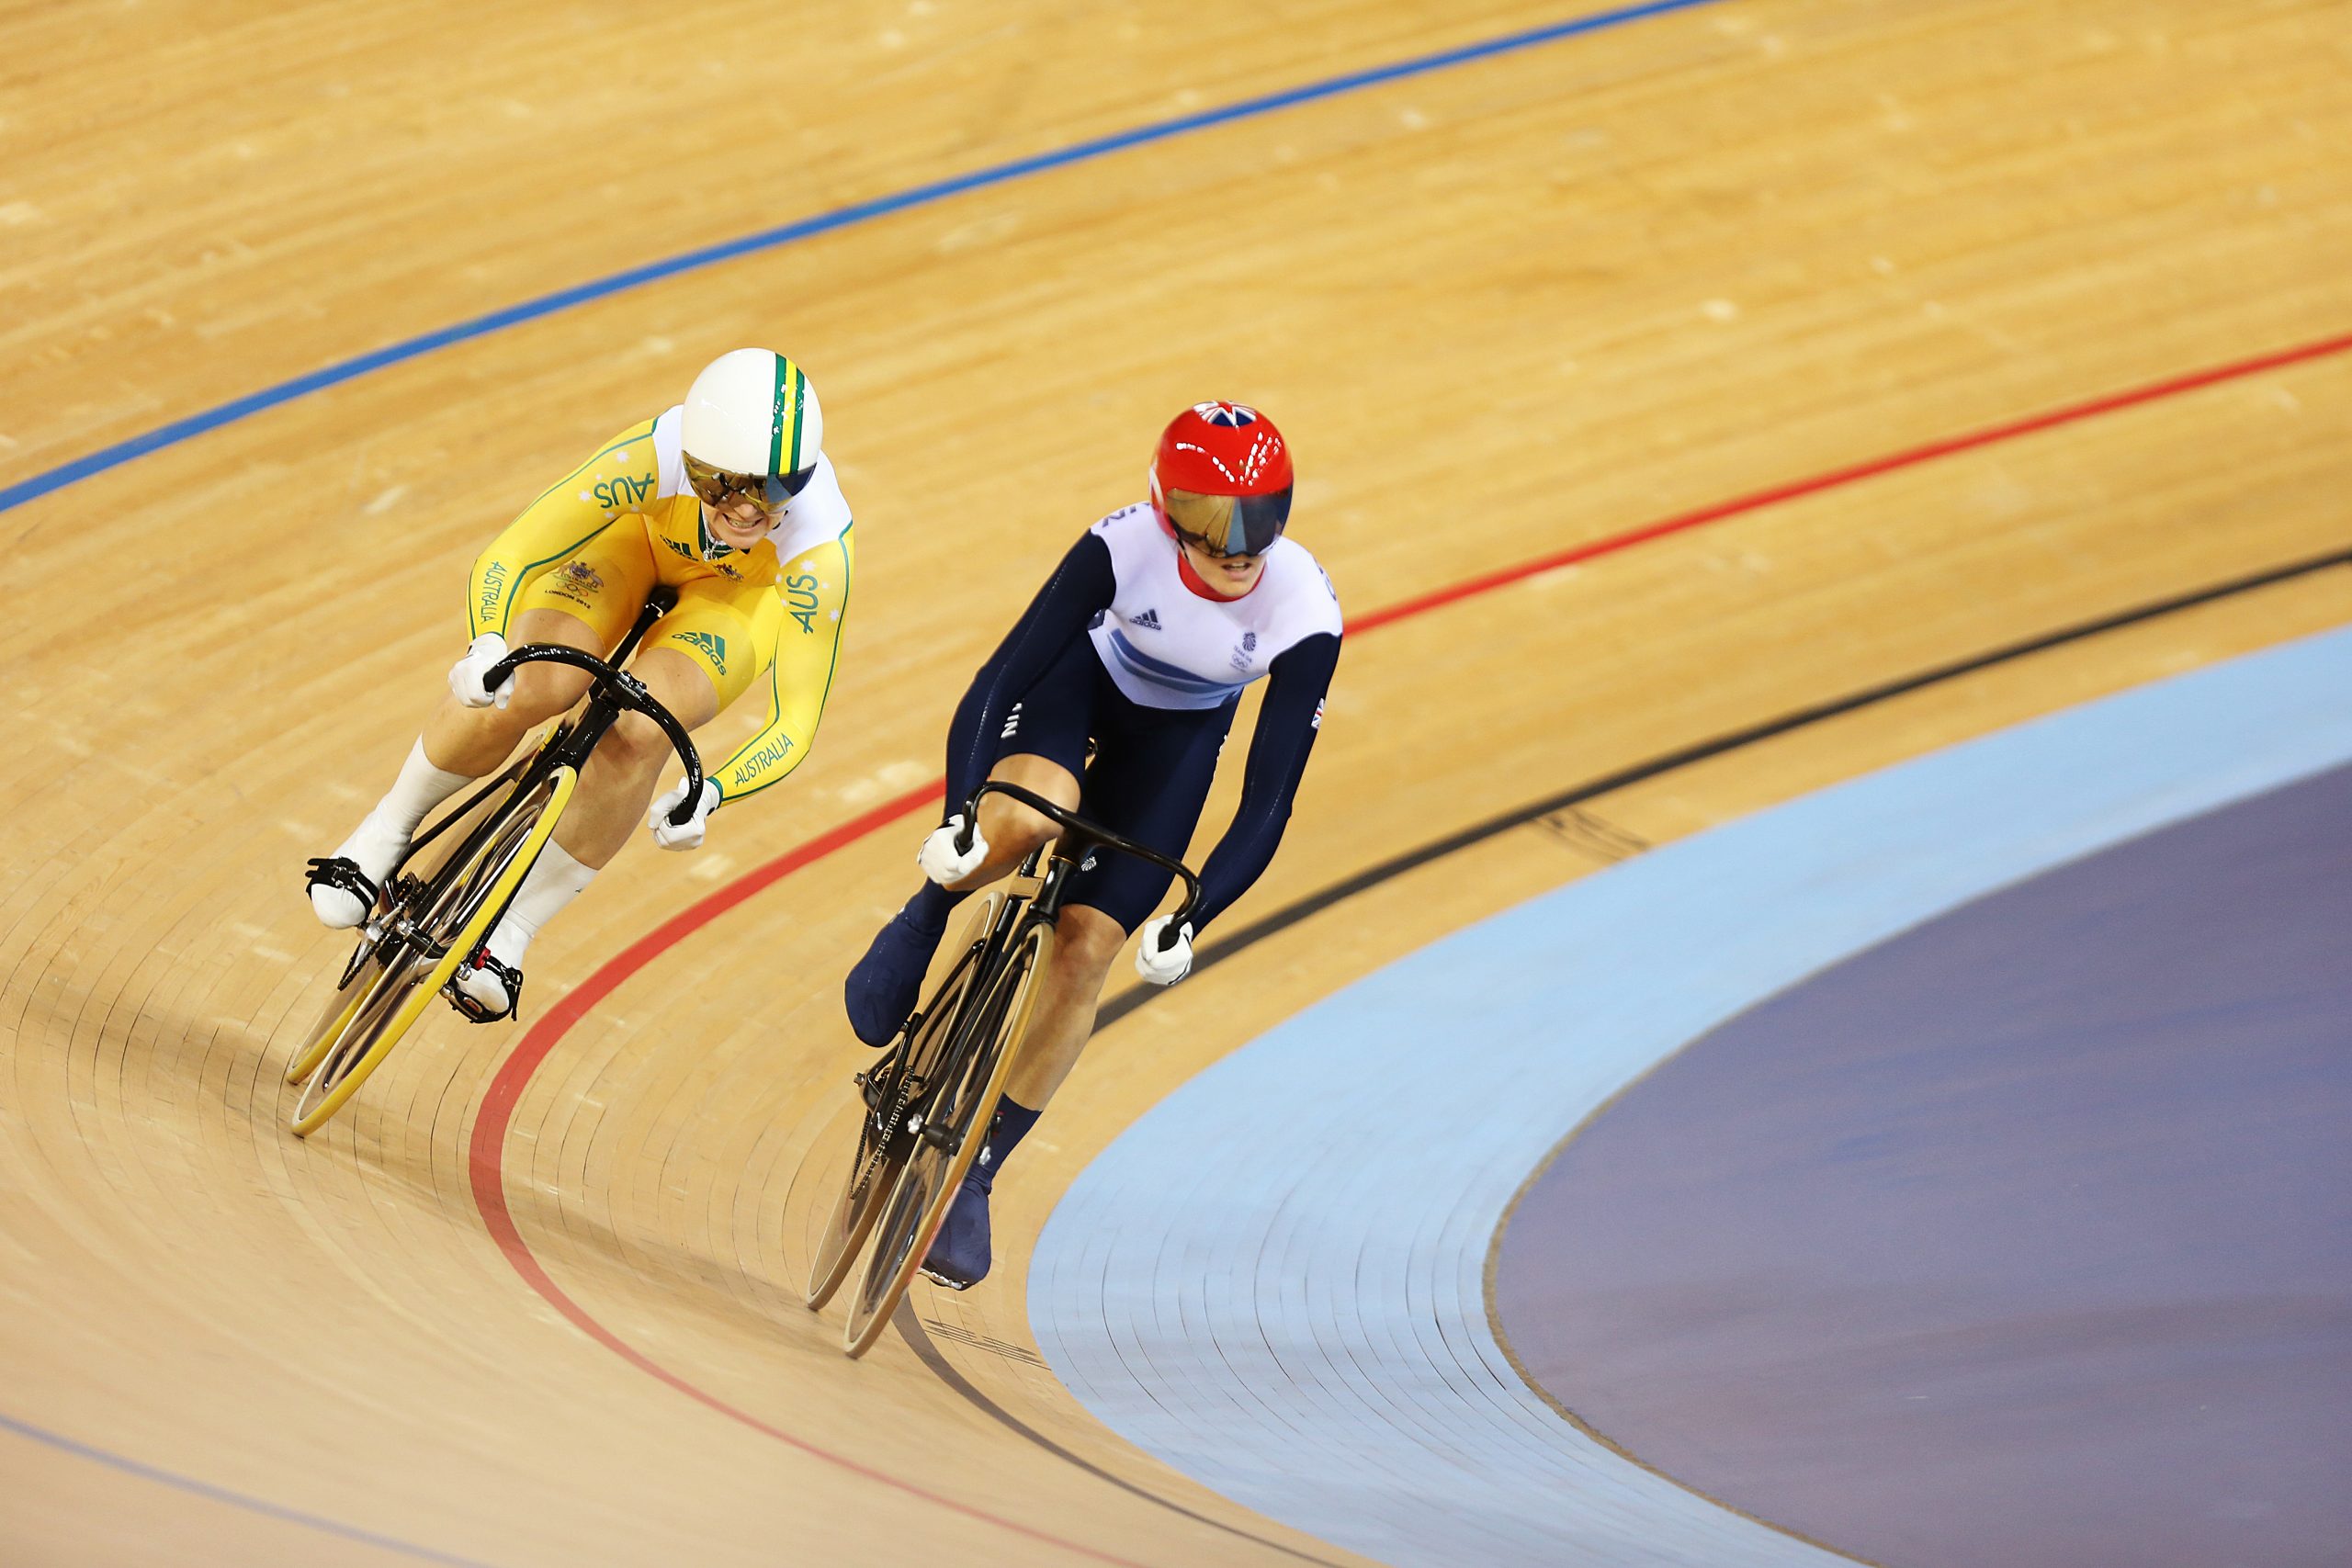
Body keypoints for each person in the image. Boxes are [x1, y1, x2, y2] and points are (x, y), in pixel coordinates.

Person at [843, 400, 1340, 1289]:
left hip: (1176, 744)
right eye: (1211, 521)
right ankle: (924, 919)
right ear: (1164, 511)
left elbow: (1269, 801)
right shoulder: (1122, 548)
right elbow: (1000, 679)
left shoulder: (1303, 606)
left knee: (1089, 950)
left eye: (1257, 519)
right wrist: (960, 819)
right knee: (1027, 818)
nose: (1235, 547)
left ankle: (978, 1173)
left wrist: (1195, 915)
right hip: (1084, 690)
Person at [305, 347, 854, 1020]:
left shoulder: (820, 551)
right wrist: (485, 644)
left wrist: (711, 792)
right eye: (723, 487)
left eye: (772, 490)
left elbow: (794, 723)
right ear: (695, 461)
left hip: (733, 608)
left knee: (639, 730)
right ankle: (384, 831)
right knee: (533, 680)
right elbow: (512, 551)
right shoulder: (658, 454)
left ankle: (510, 932)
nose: (745, 512)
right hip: (633, 549)